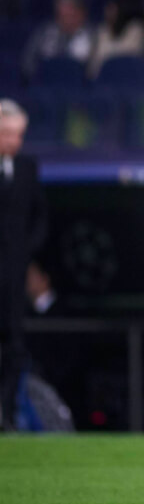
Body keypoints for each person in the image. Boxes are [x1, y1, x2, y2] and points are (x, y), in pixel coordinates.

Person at [0, 99, 47, 431]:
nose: (13, 141)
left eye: (18, 135)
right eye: (7, 134)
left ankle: (6, 414)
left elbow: (40, 217)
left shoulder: (28, 168)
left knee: (14, 345)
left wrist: (24, 253)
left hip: (14, 277)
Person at [22, 0, 95, 77]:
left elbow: (94, 69)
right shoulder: (44, 32)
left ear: (81, 14)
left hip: (79, 86)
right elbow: (28, 61)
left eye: (68, 15)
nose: (63, 20)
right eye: (60, 15)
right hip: (46, 84)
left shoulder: (93, 35)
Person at [88, 0, 144, 78]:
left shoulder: (136, 29)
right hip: (104, 81)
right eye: (107, 7)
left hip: (129, 79)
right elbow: (94, 66)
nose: (107, 11)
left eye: (112, 7)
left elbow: (126, 57)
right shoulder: (103, 31)